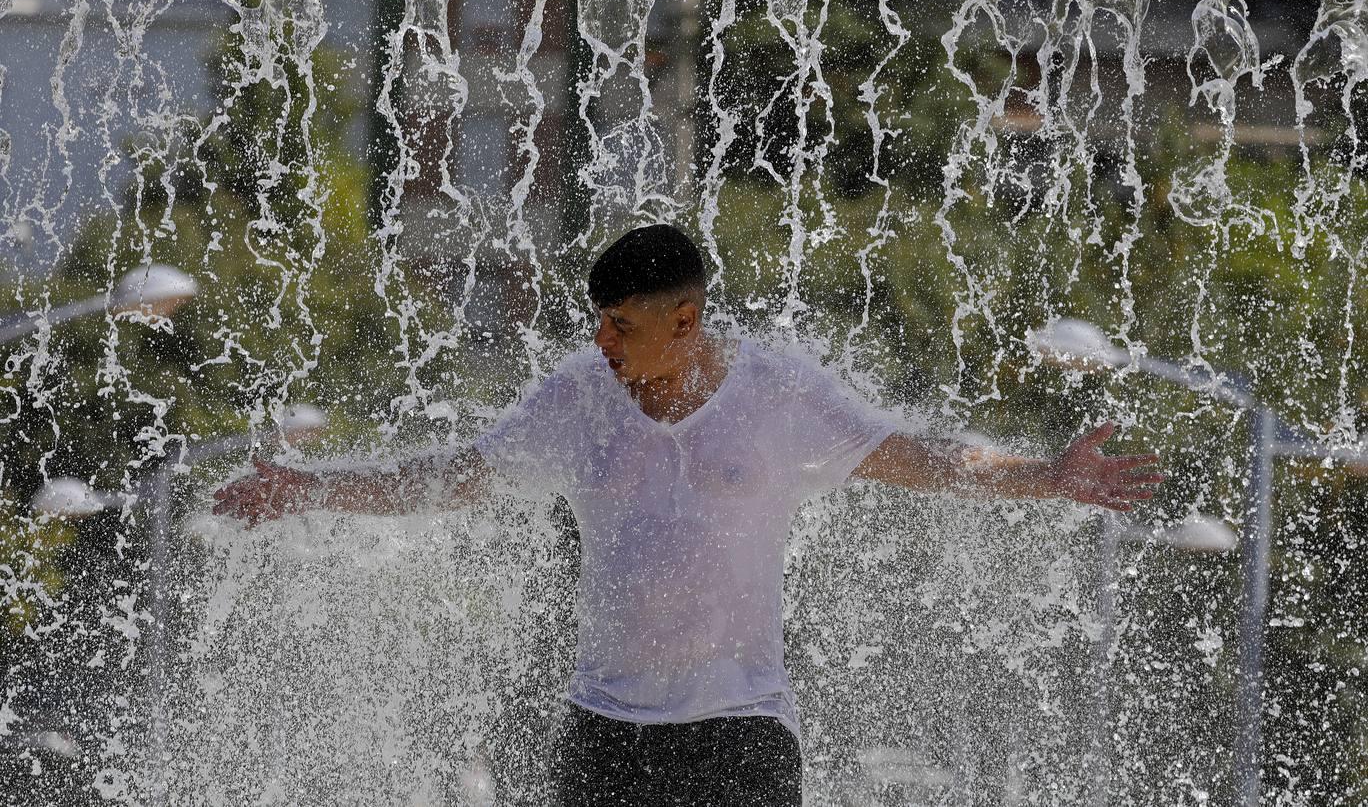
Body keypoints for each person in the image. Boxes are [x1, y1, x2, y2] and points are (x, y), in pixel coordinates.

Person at [213, 223, 1164, 806]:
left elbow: (916, 457)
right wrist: (313, 487)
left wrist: (1048, 475)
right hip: (603, 729)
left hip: (740, 729)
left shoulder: (780, 395)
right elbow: (453, 478)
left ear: (686, 318)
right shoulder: (578, 398)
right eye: (597, 322)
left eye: (622, 324)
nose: (602, 342)